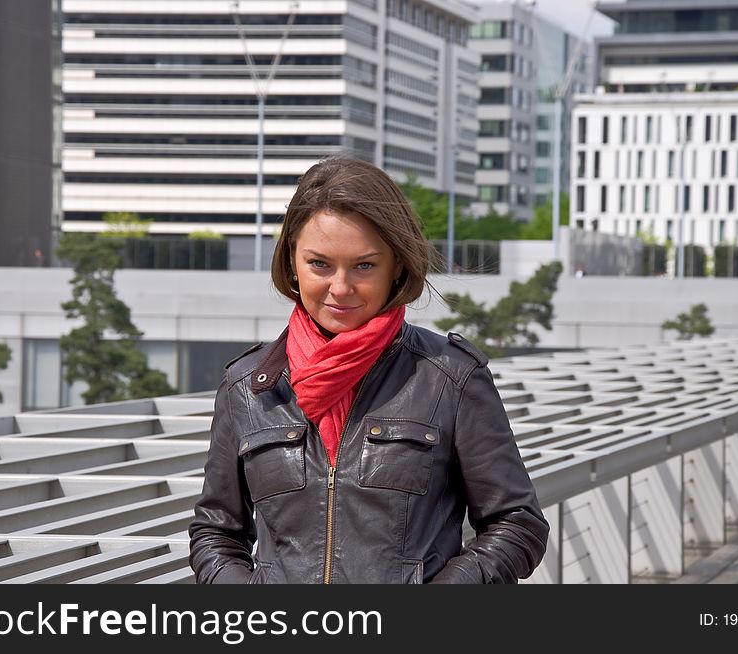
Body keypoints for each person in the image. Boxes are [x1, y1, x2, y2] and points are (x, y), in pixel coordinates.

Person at [189, 156, 549, 584]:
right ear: (292, 262)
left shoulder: (449, 378)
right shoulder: (247, 387)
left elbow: (517, 524)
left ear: (397, 265)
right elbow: (215, 533)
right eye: (320, 264)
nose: (340, 288)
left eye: (364, 265)